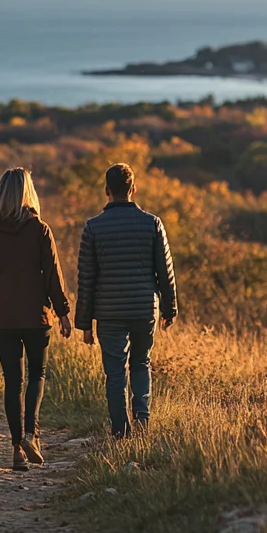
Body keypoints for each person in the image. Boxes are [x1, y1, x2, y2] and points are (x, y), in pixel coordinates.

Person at [0, 167, 72, 471]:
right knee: (37, 374)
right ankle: (32, 435)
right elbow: (53, 275)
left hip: (0, 316)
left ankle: (16, 449)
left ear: (1, 193)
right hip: (35, 314)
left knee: (12, 379)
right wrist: (63, 312)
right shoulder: (39, 229)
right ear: (29, 191)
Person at [75, 163, 178, 439]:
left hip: (108, 312)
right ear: (133, 189)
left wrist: (84, 323)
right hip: (144, 307)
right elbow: (165, 271)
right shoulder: (152, 223)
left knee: (115, 372)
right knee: (141, 363)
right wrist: (170, 308)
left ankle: (120, 430)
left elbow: (86, 279)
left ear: (107, 190)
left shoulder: (93, 228)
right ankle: (142, 421)